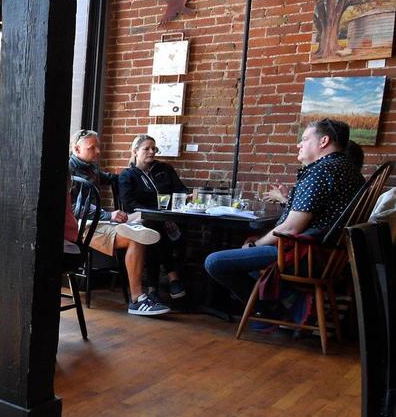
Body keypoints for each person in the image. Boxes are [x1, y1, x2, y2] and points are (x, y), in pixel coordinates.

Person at [204, 118, 364, 305]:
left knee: (214, 262)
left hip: (307, 255)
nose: (299, 144)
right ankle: (286, 301)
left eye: (304, 139)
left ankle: (272, 309)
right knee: (248, 254)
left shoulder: (322, 171)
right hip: (332, 256)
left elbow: (290, 229)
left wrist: (257, 245)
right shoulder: (351, 171)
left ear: (324, 141)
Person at [68, 129, 170, 316]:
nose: (98, 151)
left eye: (98, 146)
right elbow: (74, 208)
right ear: (76, 149)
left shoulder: (91, 168)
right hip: (81, 226)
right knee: (136, 238)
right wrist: (108, 215)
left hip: (96, 222)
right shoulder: (69, 171)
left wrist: (131, 176)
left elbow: (113, 178)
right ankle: (138, 300)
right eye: (92, 148)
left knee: (143, 222)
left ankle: (148, 292)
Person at [118, 134, 188, 299]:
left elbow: (181, 190)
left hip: (167, 219)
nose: (152, 152)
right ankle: (173, 278)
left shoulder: (165, 169)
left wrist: (185, 198)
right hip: (139, 219)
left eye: (154, 148)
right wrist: (157, 215)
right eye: (147, 148)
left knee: (156, 231)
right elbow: (129, 205)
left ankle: (153, 290)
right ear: (135, 151)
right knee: (152, 228)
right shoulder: (127, 175)